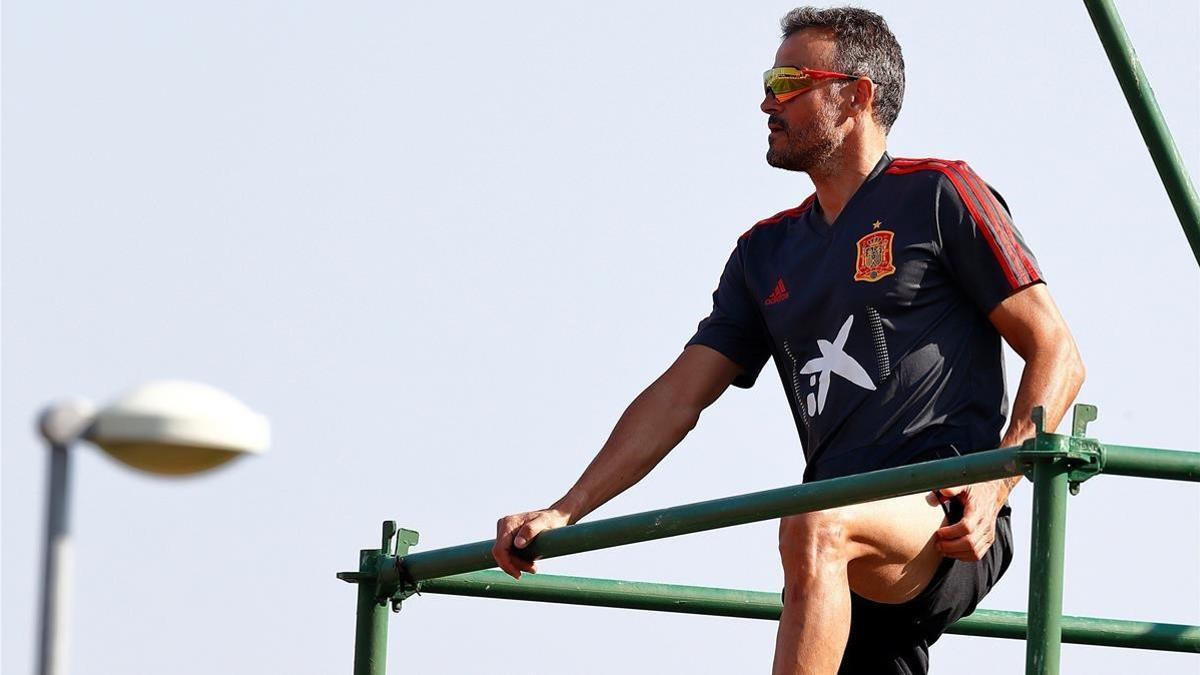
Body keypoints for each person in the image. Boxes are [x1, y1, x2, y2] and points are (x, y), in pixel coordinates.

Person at [491, 7, 1085, 674]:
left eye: (788, 80)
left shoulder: (940, 193)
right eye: (768, 81)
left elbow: (1058, 350)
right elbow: (678, 395)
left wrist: (996, 485)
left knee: (815, 524)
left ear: (854, 96)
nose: (766, 101)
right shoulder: (763, 252)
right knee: (817, 527)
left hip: (942, 517)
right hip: (831, 546)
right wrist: (565, 510)